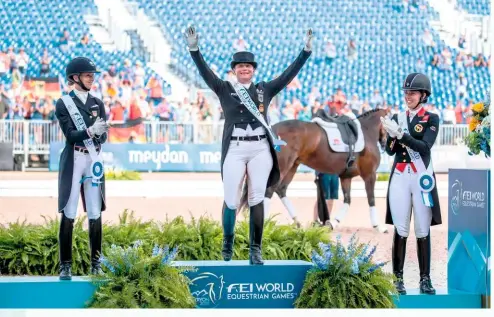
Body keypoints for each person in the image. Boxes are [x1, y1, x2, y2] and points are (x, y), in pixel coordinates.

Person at [185, 25, 312, 265]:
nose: (245, 69)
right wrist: (195, 50)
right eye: (241, 66)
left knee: (256, 198)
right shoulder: (224, 88)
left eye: (249, 66)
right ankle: (227, 245)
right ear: (234, 70)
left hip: (260, 149)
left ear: (253, 70)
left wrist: (305, 52)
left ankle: (256, 249)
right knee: (231, 199)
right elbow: (204, 72)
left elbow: (287, 75)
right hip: (235, 147)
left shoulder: (265, 89)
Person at [381, 72, 441, 295]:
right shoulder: (398, 117)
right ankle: (398, 279)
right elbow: (389, 150)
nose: (408, 96)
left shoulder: (431, 118)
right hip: (400, 176)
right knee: (401, 227)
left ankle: (425, 279)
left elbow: (425, 148)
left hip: (421, 176)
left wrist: (402, 135)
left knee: (422, 228)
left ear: (423, 95)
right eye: (406, 93)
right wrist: (391, 136)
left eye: (412, 93)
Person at [55, 57, 109, 280]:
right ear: (75, 78)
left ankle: (96, 263)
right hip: (75, 159)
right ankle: (65, 264)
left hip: (93, 160)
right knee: (69, 212)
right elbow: (70, 136)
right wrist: (90, 131)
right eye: (88, 75)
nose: (92, 78)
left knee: (95, 213)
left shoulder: (98, 102)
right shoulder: (63, 103)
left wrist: (100, 132)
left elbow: (103, 137)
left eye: (92, 75)